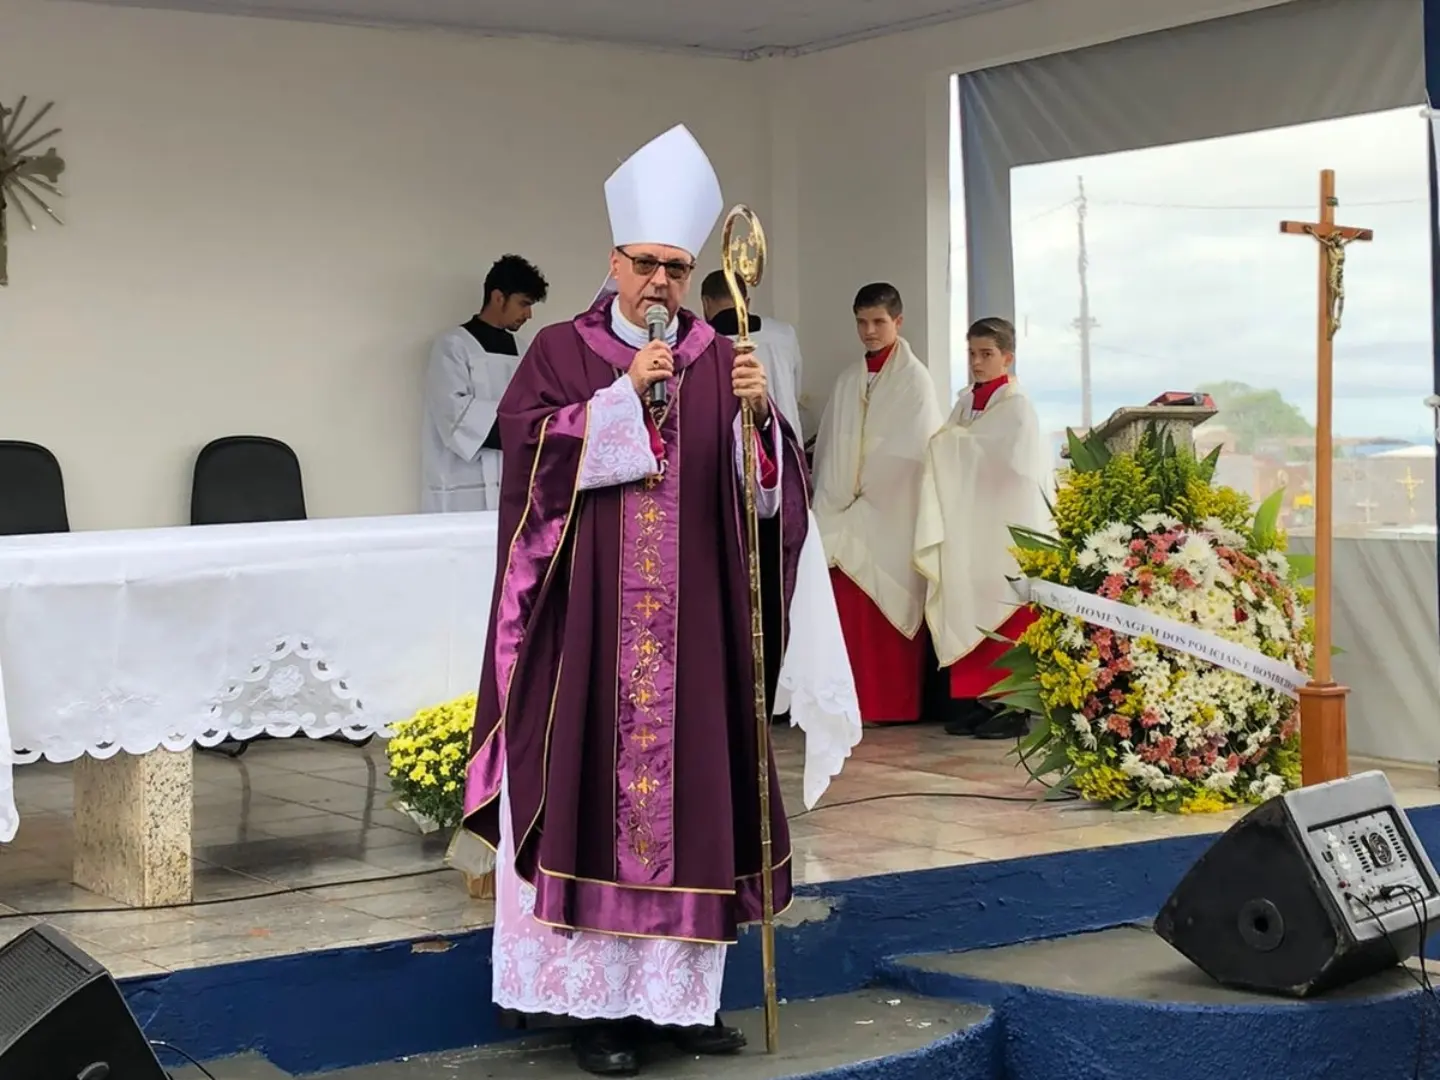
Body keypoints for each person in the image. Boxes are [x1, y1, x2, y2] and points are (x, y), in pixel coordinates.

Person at [460, 124, 812, 1078]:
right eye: (645, 263)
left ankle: (677, 1006)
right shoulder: (560, 353)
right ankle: (602, 1012)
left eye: (676, 267)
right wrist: (619, 398)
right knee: (586, 800)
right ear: (613, 261)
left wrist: (758, 425)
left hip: (693, 638)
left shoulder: (720, 357)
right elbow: (527, 463)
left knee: (695, 806)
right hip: (589, 637)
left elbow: (769, 500)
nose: (659, 282)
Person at [703, 269, 862, 798]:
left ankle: (755, 695)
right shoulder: (782, 335)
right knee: (773, 593)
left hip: (748, 468)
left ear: (706, 302)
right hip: (776, 465)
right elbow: (790, 391)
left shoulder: (710, 344)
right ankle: (771, 696)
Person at [914, 317, 1052, 739]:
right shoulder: (965, 403)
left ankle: (1013, 707)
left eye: (986, 354)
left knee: (1006, 612)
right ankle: (981, 700)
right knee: (969, 607)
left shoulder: (1017, 407)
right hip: (972, 526)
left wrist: (952, 445)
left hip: (1005, 529)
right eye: (972, 353)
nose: (976, 362)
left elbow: (1015, 464)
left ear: (1007, 357)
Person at [811, 283, 943, 725]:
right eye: (862, 322)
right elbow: (832, 446)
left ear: (898, 322)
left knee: (885, 602)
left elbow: (913, 449)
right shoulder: (848, 379)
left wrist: (869, 494)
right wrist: (838, 497)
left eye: (878, 322)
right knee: (841, 605)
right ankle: (846, 704)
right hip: (843, 511)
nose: (869, 331)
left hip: (891, 512)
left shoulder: (915, 381)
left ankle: (889, 705)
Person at [420, 254, 549, 512]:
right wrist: (521, 426)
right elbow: (455, 415)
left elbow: (537, 409)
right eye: (523, 304)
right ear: (498, 297)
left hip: (514, 481)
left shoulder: (524, 351)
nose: (529, 314)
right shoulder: (453, 346)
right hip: (462, 484)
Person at [700, 270, 804, 437]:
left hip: (736, 442)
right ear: (746, 302)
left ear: (705, 302)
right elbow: (795, 391)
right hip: (785, 439)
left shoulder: (700, 344)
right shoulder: (784, 334)